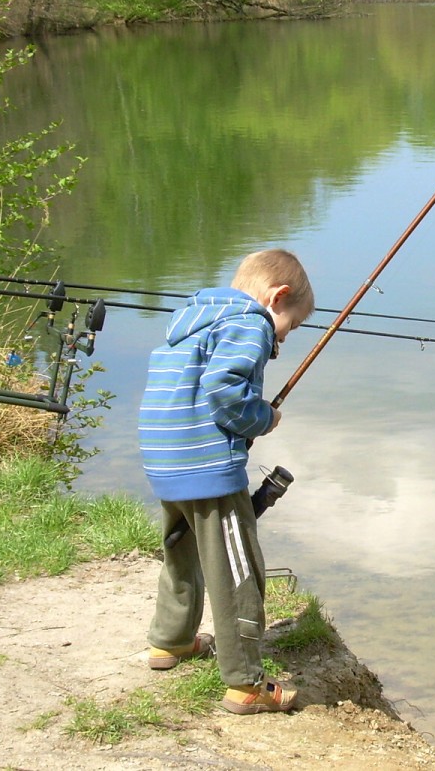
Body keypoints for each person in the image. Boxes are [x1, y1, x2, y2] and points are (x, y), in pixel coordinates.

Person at [138, 248, 314, 714]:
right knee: (239, 571)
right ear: (279, 297)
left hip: (165, 457)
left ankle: (170, 641)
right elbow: (224, 388)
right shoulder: (251, 322)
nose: (284, 338)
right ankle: (246, 683)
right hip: (208, 469)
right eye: (291, 326)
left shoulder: (194, 318)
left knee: (181, 551)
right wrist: (262, 418)